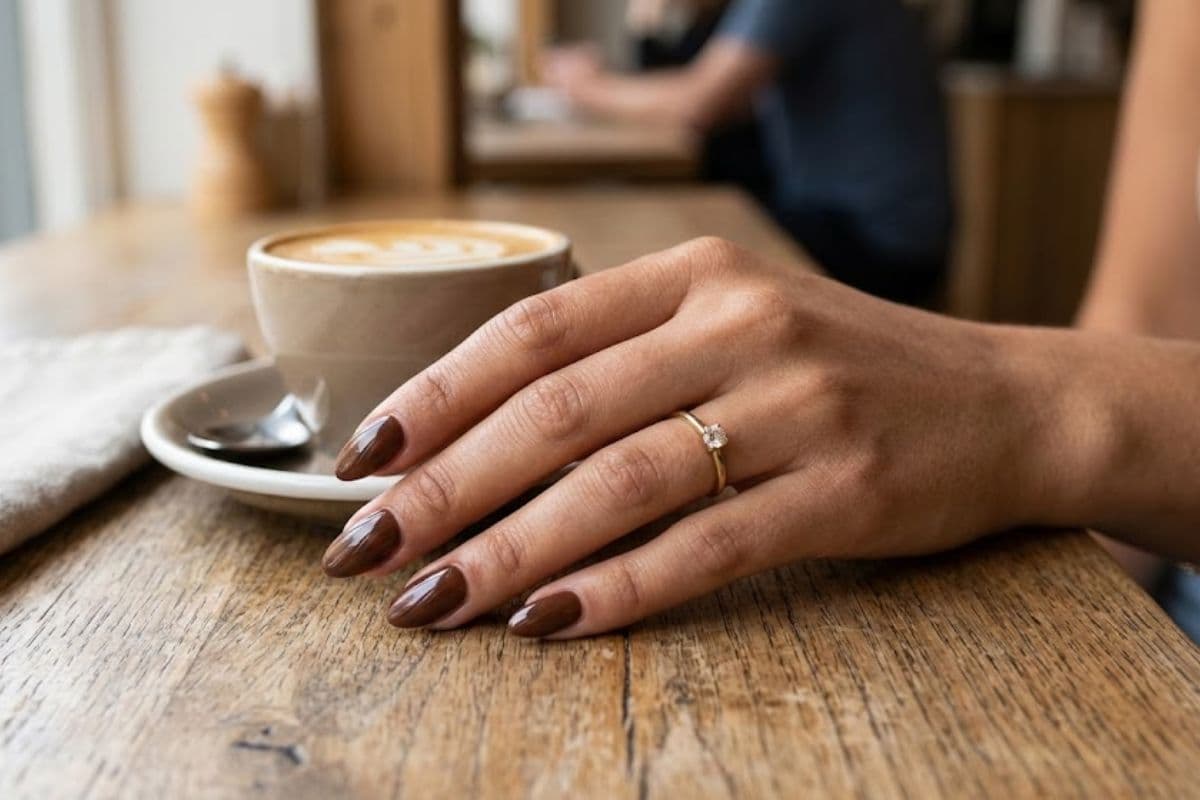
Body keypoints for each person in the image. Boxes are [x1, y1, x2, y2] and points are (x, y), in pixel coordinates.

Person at [318, 0, 1200, 641]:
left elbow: (703, 99)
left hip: (878, 239)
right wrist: (1079, 627)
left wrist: (1020, 408)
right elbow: (1143, 315)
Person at [542, 0, 954, 306]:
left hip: (876, 239)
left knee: (656, 264)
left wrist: (585, 86)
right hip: (865, 221)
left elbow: (699, 102)